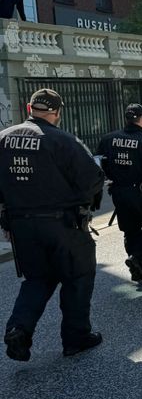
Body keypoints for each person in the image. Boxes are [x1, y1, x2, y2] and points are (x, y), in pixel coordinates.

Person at [1, 89, 105, 361]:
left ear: (28, 107)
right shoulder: (63, 140)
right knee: (78, 277)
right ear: (58, 112)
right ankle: (76, 338)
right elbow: (92, 180)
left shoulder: (3, 139)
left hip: (21, 226)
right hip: (63, 225)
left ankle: (18, 329)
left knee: (37, 279)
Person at [96, 103, 142, 283]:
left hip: (118, 191)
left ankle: (138, 268)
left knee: (130, 230)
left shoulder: (108, 139)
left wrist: (110, 179)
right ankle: (136, 257)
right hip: (140, 193)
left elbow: (98, 164)